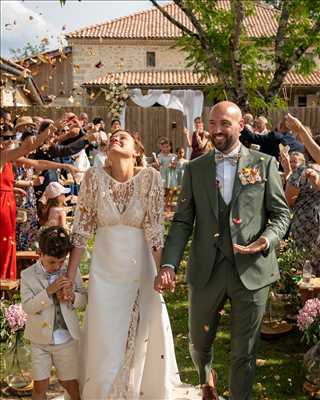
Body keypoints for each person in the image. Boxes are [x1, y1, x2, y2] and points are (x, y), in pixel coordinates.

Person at [155, 101, 290, 400]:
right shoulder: (194, 169)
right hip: (207, 268)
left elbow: (281, 215)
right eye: (212, 123)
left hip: (252, 270)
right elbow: (181, 221)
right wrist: (168, 265)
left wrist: (266, 240)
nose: (216, 130)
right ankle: (207, 377)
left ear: (241, 126)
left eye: (224, 124)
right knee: (198, 342)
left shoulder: (264, 164)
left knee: (245, 350)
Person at [66, 130, 181, 399]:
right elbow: (81, 231)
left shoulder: (150, 177)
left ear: (137, 151)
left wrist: (163, 271)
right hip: (104, 271)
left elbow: (154, 230)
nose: (114, 139)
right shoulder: (93, 178)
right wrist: (71, 278)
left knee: (139, 333)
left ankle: (134, 389)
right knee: (104, 333)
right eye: (112, 137)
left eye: (123, 138)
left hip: (138, 269)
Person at [20, 227, 86, 400]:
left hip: (66, 340)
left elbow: (85, 299)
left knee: (69, 383)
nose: (57, 267)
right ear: (39, 253)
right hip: (39, 341)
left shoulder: (71, 270)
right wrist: (48, 292)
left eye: (61, 261)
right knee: (40, 384)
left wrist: (72, 297)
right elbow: (27, 307)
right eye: (51, 263)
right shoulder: (27, 275)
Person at [157, 138, 178, 211]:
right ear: (162, 147)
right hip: (163, 175)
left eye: (167, 146)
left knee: (170, 190)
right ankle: (162, 204)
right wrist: (156, 163)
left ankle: (168, 205)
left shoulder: (174, 156)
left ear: (170, 147)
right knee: (163, 190)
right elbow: (159, 164)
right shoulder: (160, 155)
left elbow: (175, 166)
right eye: (164, 147)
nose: (166, 148)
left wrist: (172, 165)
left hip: (170, 175)